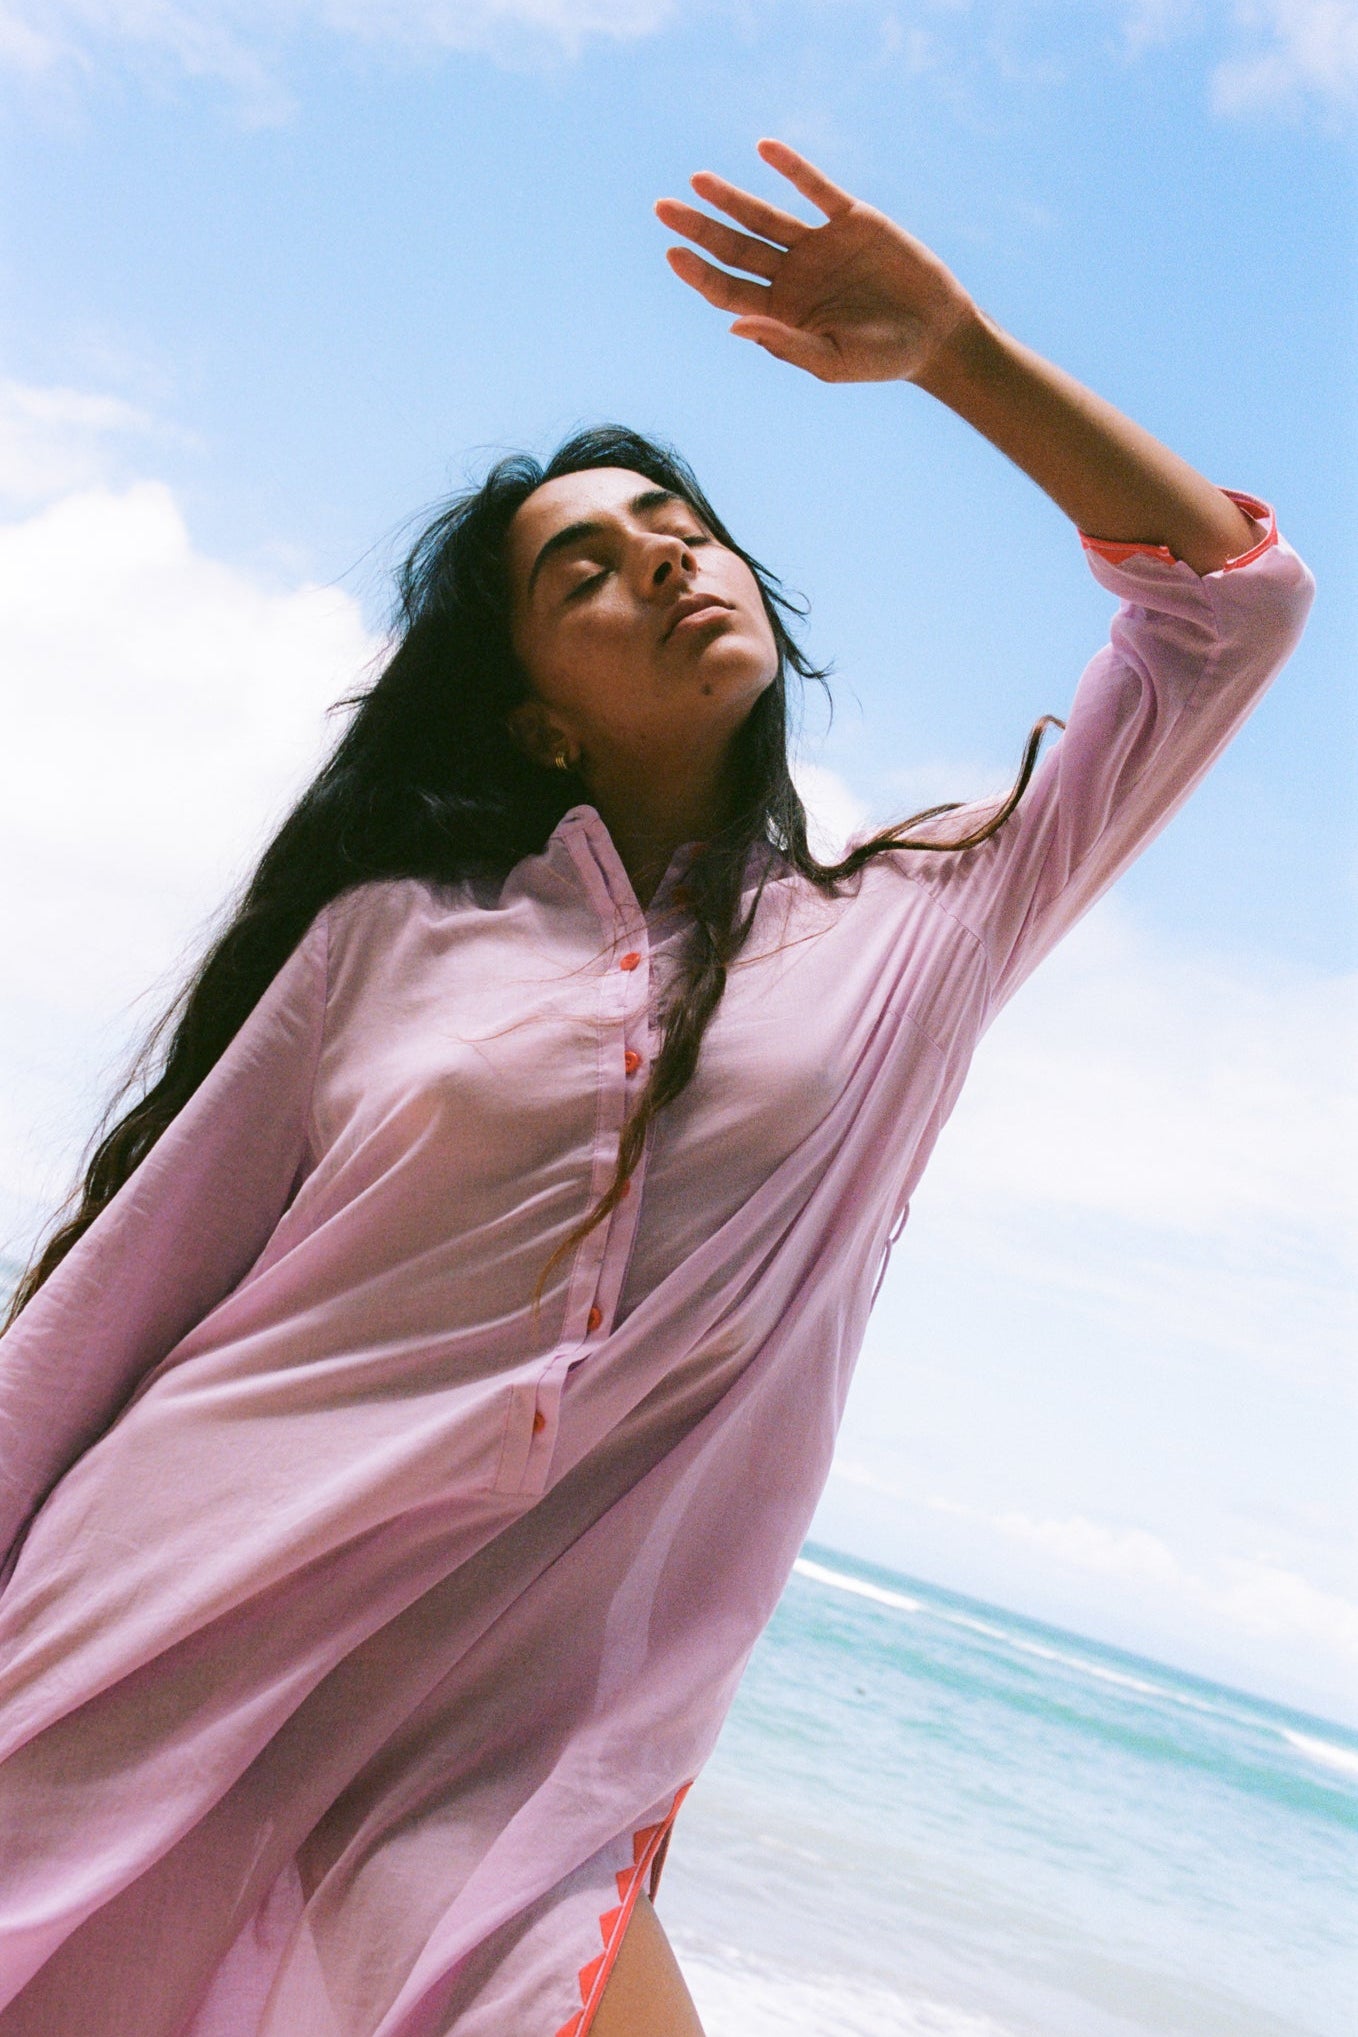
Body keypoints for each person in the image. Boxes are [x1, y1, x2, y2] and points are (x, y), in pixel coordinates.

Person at [0, 139, 1312, 2037]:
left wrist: (953, 351)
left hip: (512, 1760)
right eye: (587, 571)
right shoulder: (398, 938)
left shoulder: (928, 924)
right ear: (534, 707)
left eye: (679, 526)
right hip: (162, 1627)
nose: (662, 559)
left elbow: (1227, 610)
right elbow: (127, 1302)